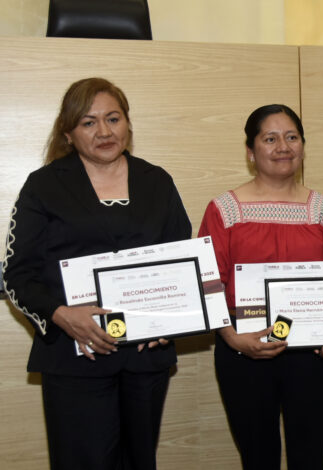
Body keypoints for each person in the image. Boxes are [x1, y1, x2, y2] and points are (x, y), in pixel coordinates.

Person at [2, 77, 192, 470]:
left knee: (139, 461)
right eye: (89, 123)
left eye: (113, 118)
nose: (104, 132)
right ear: (68, 133)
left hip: (144, 358)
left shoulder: (157, 181)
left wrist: (170, 318)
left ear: (127, 124)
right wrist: (61, 314)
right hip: (74, 358)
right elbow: (16, 274)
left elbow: (181, 262)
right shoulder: (44, 186)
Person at [198, 104, 323, 470]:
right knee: (257, 457)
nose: (283, 146)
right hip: (243, 349)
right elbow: (209, 282)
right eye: (271, 138)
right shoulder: (224, 209)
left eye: (292, 137)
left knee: (310, 457)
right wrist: (231, 338)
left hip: (311, 353)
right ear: (251, 151)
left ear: (303, 147)